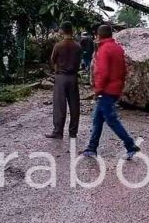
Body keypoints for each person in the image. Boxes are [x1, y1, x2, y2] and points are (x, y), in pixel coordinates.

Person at [82, 25, 141, 159]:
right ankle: (91, 148)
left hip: (106, 90)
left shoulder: (104, 50)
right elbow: (123, 69)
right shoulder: (118, 48)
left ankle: (130, 145)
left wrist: (98, 90)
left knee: (111, 120)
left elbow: (102, 72)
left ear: (99, 35)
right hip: (115, 88)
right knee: (97, 119)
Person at [45, 22, 82, 139]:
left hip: (61, 77)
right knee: (74, 105)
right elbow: (79, 62)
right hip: (73, 77)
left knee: (60, 105)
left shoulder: (58, 45)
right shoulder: (78, 46)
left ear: (62, 31)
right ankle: (73, 132)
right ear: (72, 30)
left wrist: (57, 69)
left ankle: (58, 131)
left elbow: (52, 60)